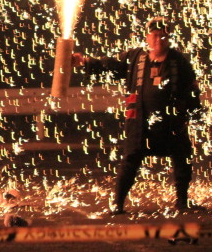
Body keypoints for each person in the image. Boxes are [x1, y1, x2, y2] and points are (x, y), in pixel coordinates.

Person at [72, 17, 201, 214]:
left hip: (171, 122)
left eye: (163, 36)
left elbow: (192, 90)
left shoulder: (179, 61)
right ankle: (117, 204)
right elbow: (109, 65)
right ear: (147, 37)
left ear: (169, 38)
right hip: (140, 122)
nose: (159, 40)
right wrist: (85, 62)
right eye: (155, 35)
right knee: (130, 161)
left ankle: (182, 201)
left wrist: (193, 115)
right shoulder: (134, 57)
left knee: (182, 158)